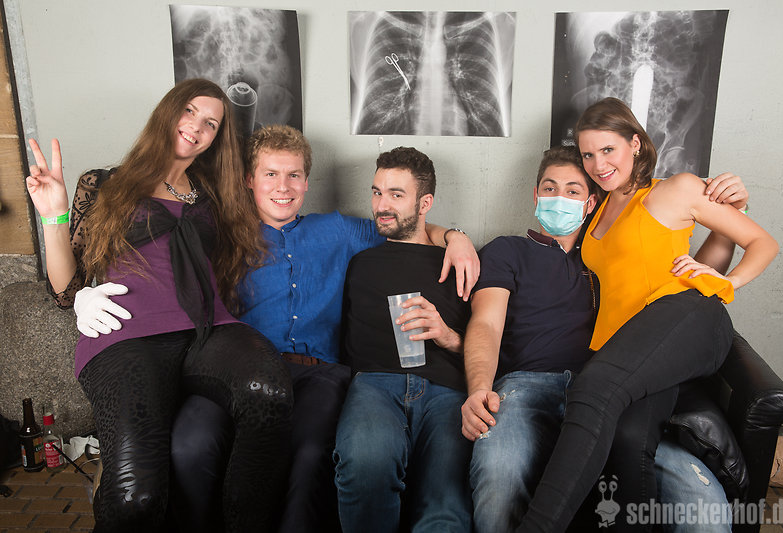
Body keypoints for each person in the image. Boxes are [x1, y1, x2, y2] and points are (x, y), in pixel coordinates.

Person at [74, 124, 479, 532]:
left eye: (293, 175)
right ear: (249, 181)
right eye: (270, 174)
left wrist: (455, 236)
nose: (282, 187)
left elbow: (400, 225)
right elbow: (156, 271)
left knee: (309, 453)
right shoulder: (221, 234)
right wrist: (85, 293)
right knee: (190, 444)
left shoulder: (337, 230)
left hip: (317, 374)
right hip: (232, 372)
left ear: (306, 182)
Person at [24, 79, 293, 532]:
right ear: (168, 111)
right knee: (137, 499)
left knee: (269, 393)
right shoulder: (104, 183)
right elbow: (65, 290)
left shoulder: (214, 193)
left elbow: (273, 212)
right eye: (189, 111)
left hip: (209, 331)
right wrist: (54, 215)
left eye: (211, 123)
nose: (197, 126)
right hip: (129, 336)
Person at [517, 97, 779, 532]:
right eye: (588, 154)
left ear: (635, 143)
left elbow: (764, 243)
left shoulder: (674, 189)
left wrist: (728, 279)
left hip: (687, 317)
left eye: (608, 150)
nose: (598, 164)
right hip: (633, 346)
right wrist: (451, 236)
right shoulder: (598, 207)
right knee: (627, 439)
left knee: (592, 389)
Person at [461, 145, 747, 533]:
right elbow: (486, 324)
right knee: (499, 477)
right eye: (550, 188)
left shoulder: (612, 253)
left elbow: (694, 283)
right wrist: (479, 388)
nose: (559, 198)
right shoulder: (507, 250)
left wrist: (727, 217)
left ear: (591, 202)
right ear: (536, 195)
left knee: (701, 502)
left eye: (573, 191)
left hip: (616, 395)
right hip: (527, 387)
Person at [333, 147, 473, 532]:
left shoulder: (459, 262)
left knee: (447, 500)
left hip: (446, 388)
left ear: (425, 203)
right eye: (377, 192)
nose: (382, 205)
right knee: (365, 466)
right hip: (375, 384)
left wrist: (446, 335)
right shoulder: (360, 262)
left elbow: (488, 346)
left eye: (396, 194)